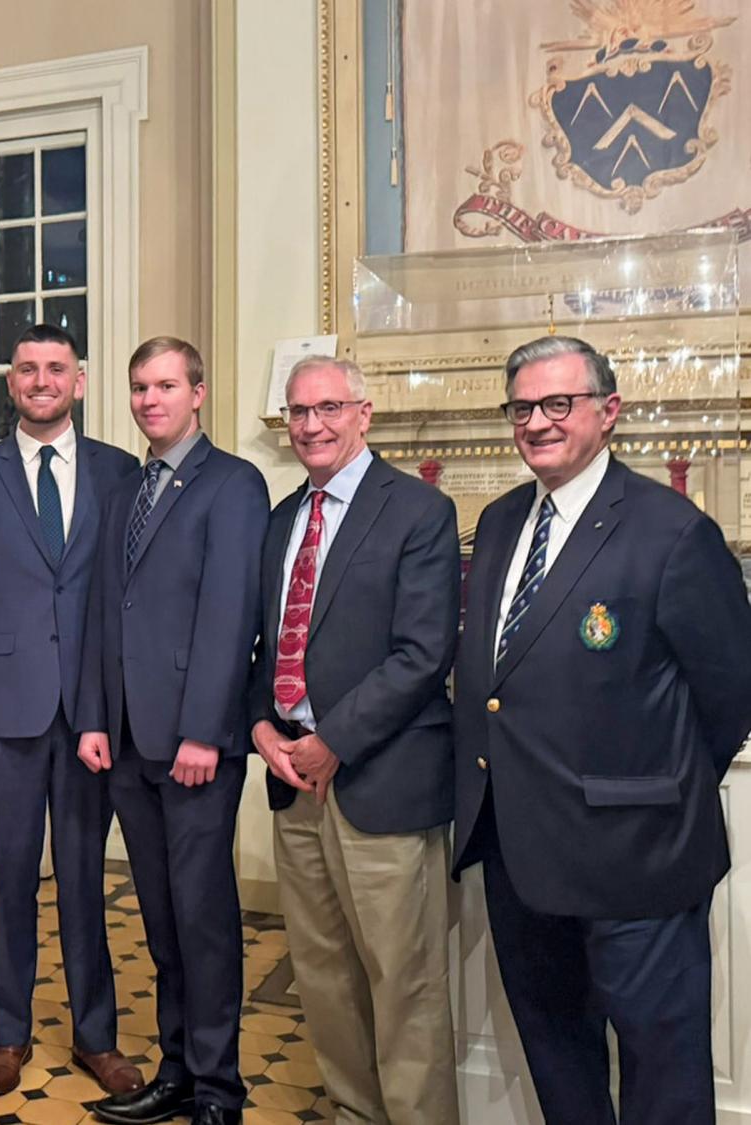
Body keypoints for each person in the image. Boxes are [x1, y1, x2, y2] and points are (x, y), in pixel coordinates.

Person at [452, 335, 751, 1124]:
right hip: (520, 854)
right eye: (523, 407)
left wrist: (650, 787)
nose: (538, 422)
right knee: (558, 1058)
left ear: (608, 411)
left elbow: (729, 695)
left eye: (559, 403)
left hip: (637, 860)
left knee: (662, 1071)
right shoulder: (502, 519)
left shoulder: (670, 531)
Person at [0, 324, 142, 1096]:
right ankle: (7, 1033)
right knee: (9, 877)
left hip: (91, 713)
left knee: (87, 879)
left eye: (56, 368)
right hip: (1, 711)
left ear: (79, 381)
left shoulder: (122, 472)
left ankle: (96, 1036)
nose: (41, 379)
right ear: (10, 382)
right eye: (27, 369)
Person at [249, 356, 461, 1123]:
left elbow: (422, 651)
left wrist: (334, 738)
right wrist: (260, 726)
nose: (312, 425)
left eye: (329, 407)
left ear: (364, 414)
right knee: (324, 973)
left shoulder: (417, 510)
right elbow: (264, 645)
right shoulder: (280, 521)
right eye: (299, 412)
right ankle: (355, 1112)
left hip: (381, 779)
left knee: (404, 980)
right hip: (293, 779)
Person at [77, 337, 269, 1125]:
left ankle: (220, 1088)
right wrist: (93, 716)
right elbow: (102, 610)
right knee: (159, 919)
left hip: (194, 747)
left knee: (203, 919)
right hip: (126, 742)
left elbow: (231, 616)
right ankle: (177, 1068)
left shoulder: (234, 483)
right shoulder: (127, 487)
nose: (150, 399)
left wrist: (203, 730)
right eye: (139, 387)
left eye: (165, 385)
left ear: (198, 393)